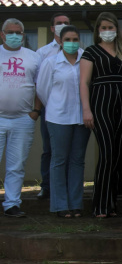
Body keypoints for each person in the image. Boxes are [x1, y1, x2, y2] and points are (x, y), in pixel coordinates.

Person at [79, 12, 122, 219]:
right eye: (103, 28)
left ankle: (111, 203)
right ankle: (100, 205)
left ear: (116, 30)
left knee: (119, 154)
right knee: (107, 152)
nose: (107, 31)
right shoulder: (91, 52)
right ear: (98, 31)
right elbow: (84, 82)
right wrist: (86, 109)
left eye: (111, 28)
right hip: (101, 103)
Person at [36, 25, 88, 218]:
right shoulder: (51, 62)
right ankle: (60, 205)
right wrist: (57, 106)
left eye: (75, 40)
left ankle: (75, 204)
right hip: (58, 118)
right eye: (68, 40)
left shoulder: (86, 59)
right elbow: (42, 90)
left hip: (81, 118)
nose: (72, 43)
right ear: (60, 40)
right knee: (59, 160)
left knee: (77, 161)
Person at [0, 18, 41, 218]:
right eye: (10, 32)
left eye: (18, 32)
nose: (14, 36)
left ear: (23, 35)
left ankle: (11, 204)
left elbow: (40, 87)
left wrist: (36, 111)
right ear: (2, 34)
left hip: (23, 119)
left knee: (16, 165)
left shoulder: (33, 57)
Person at [35, 12, 72, 201]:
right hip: (49, 109)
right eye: (59, 23)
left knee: (68, 151)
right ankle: (47, 187)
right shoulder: (42, 53)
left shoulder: (78, 51)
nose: (62, 25)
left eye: (66, 23)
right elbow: (39, 84)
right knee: (49, 149)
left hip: (71, 110)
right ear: (52, 28)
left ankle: (65, 185)